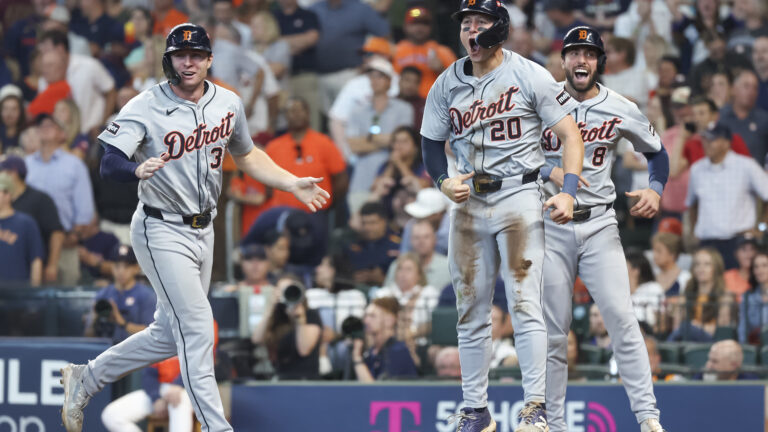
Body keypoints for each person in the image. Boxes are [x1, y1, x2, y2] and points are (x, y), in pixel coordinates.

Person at [60, 23, 330, 432]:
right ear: (168, 60)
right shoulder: (145, 105)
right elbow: (108, 161)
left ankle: (87, 377)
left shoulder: (228, 102)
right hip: (160, 228)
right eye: (180, 55)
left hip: (205, 230)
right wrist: (135, 168)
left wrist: (290, 181)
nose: (188, 62)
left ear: (209, 60)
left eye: (196, 55)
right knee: (199, 327)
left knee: (170, 336)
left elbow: (248, 154)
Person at [420, 2, 586, 430]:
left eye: (480, 23)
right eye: (466, 24)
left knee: (525, 303)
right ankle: (475, 410)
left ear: (500, 29)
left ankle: (535, 408)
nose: (471, 31)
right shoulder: (446, 81)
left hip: (518, 195)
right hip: (470, 200)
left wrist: (567, 191)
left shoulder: (528, 73)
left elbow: (570, 134)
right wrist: (441, 180)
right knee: (470, 309)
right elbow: (429, 143)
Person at [540, 26, 668, 432]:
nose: (582, 60)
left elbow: (658, 153)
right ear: (563, 61)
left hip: (598, 223)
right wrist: (551, 169)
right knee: (554, 335)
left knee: (622, 319)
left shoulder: (619, 106)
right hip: (549, 225)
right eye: (575, 53)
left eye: (590, 54)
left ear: (599, 62)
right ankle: (554, 425)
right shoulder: (541, 100)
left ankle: (648, 418)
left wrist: (656, 189)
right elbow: (516, 154)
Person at [685, 121, 768, 269]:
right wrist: (693, 232)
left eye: (712, 140)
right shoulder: (696, 169)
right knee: (708, 290)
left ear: (726, 142)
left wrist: (761, 228)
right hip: (707, 241)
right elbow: (692, 204)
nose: (707, 144)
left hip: (738, 241)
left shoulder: (746, 165)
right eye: (705, 139)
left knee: (738, 287)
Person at [0, 155, 64, 284]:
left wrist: (52, 265)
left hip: (24, 272)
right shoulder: (12, 206)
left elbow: (56, 232)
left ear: (13, 173)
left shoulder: (39, 200)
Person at [251, 275, 323, 379]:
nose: (286, 293)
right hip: (281, 378)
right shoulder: (277, 316)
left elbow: (304, 350)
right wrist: (270, 309)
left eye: (289, 289)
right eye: (281, 290)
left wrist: (300, 320)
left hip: (306, 379)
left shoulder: (310, 315)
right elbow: (256, 339)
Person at [85, 245, 156, 343]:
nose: (121, 271)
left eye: (126, 267)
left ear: (136, 268)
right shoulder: (102, 295)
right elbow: (88, 337)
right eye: (117, 266)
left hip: (135, 351)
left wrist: (122, 322)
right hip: (105, 350)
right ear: (111, 267)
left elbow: (153, 333)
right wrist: (93, 321)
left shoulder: (146, 295)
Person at [350, 296, 418, 382]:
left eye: (372, 316)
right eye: (366, 316)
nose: (366, 321)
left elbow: (376, 392)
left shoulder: (398, 351)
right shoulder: (372, 351)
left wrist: (357, 358)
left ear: (389, 320)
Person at [0, 172, 44, 287]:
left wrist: (34, 292)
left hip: (17, 295)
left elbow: (36, 259)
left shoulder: (26, 223)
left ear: (8, 194)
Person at [737, 250, 768, 344]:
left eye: (764, 265)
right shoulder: (747, 297)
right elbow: (743, 326)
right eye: (756, 267)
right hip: (755, 344)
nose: (760, 270)